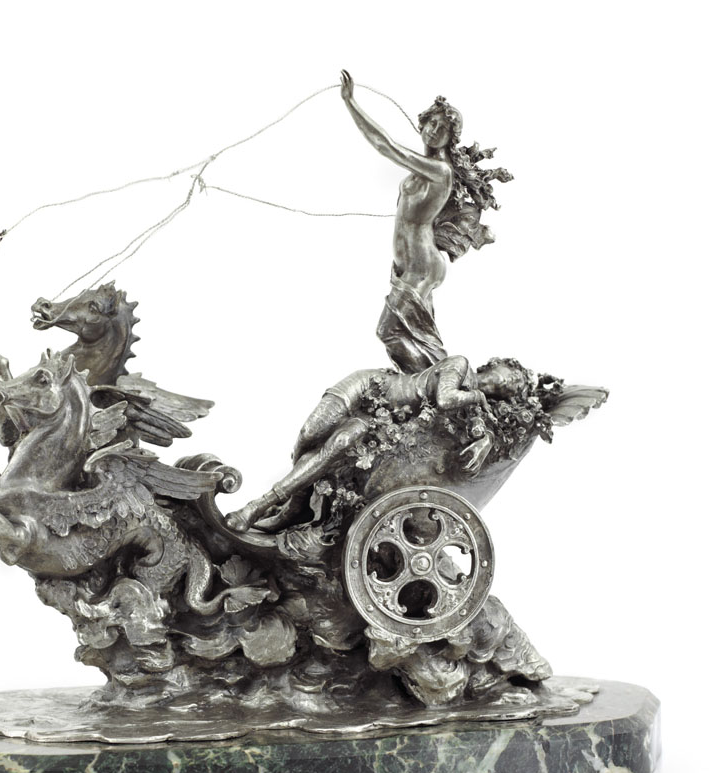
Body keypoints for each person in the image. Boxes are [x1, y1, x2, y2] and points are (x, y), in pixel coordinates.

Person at [225, 357, 530, 533]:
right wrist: (478, 398)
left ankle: (258, 507)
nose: (510, 384)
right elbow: (445, 398)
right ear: (495, 364)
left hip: (377, 419)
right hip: (370, 387)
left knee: (341, 442)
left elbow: (478, 427)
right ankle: (296, 503)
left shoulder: (475, 408)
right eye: (512, 376)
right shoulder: (460, 365)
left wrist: (485, 438)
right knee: (310, 434)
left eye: (515, 387)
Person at [340, 72, 511, 373]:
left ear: (451, 138)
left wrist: (350, 103)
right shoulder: (423, 171)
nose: (434, 131)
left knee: (389, 330)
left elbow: (386, 146)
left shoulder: (440, 171)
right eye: (432, 123)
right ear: (423, 123)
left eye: (442, 129)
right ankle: (435, 381)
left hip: (423, 264)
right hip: (409, 264)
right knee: (420, 339)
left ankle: (437, 381)